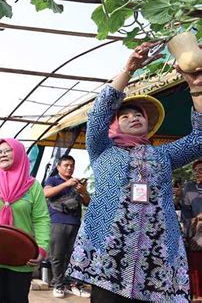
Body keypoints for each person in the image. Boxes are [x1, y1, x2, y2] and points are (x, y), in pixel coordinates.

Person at [67, 42, 202, 302]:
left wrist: (196, 86)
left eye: (138, 114)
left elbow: (199, 139)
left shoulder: (163, 155)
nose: (133, 117)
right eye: (124, 115)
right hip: (109, 255)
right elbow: (97, 115)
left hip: (155, 257)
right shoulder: (102, 149)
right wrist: (128, 69)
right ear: (113, 125)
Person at [0, 138, 51, 303]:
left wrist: (41, 249)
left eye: (8, 150)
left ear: (19, 153)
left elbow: (41, 219)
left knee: (18, 298)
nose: (2, 154)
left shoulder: (33, 186)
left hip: (22, 254)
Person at [43, 155, 90, 298]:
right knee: (57, 256)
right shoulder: (53, 180)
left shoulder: (76, 183)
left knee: (74, 256)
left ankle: (72, 284)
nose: (69, 167)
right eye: (66, 165)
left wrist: (83, 191)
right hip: (58, 223)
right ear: (59, 167)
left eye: (72, 165)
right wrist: (66, 184)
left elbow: (87, 202)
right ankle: (58, 285)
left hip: (75, 223)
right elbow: (46, 193)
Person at [181, 160, 202, 300]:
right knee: (196, 266)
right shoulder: (189, 187)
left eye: (201, 169)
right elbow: (185, 213)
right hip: (196, 233)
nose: (198, 173)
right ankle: (197, 295)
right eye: (196, 170)